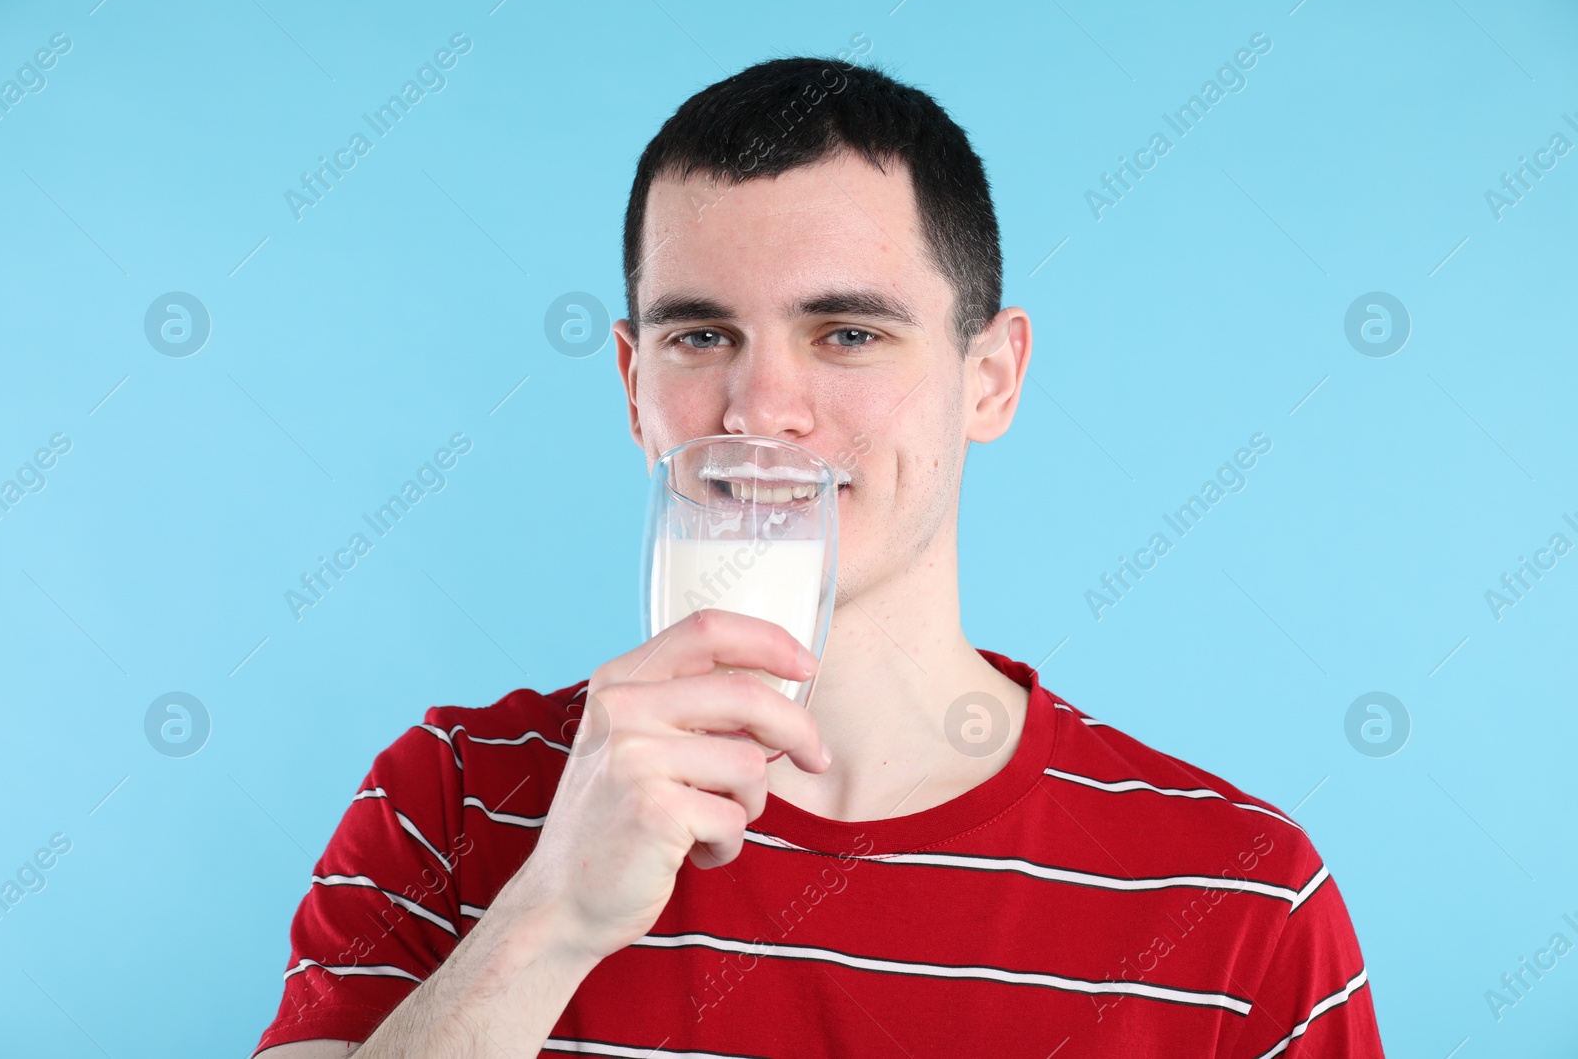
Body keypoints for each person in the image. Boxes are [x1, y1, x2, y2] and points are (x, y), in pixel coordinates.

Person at [254, 56, 1384, 1057]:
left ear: (988, 377)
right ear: (631, 383)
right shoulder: (445, 801)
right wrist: (548, 919)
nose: (761, 409)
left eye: (847, 333)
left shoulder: (1241, 898)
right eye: (701, 334)